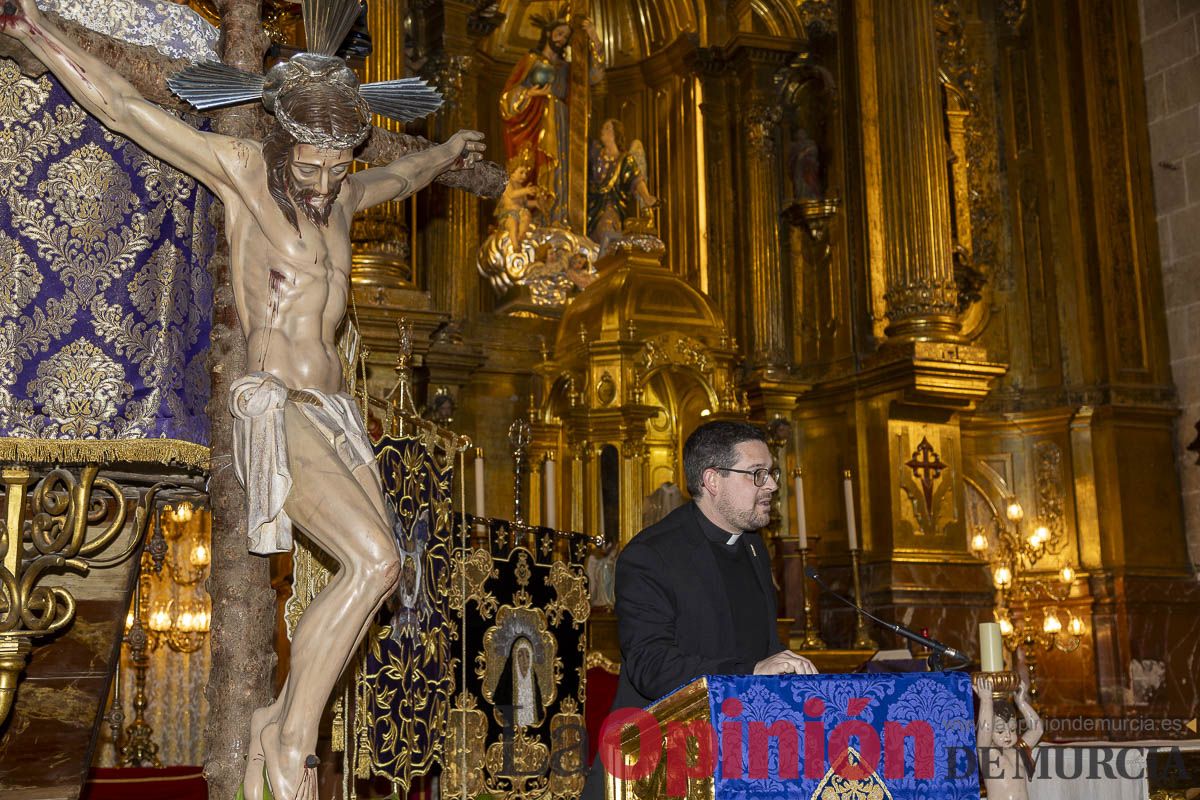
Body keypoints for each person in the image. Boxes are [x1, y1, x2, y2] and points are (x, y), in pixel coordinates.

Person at [0, 4, 485, 799]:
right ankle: (293, 743)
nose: (325, 183)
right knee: (376, 560)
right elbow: (124, 109)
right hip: (276, 402)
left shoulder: (346, 194)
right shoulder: (244, 174)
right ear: (281, 139)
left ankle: (274, 724)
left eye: (337, 165)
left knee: (382, 577)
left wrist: (447, 153)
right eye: (312, 167)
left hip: (333, 413)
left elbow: (403, 176)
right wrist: (35, 36)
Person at [583, 420, 817, 798]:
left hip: (739, 756)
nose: (771, 484)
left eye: (770, 473)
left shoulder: (754, 547)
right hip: (659, 763)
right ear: (712, 480)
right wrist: (752, 671)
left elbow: (760, 644)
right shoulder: (650, 555)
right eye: (756, 474)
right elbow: (651, 665)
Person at [499, 8, 603, 225]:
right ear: (548, 34)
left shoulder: (568, 69)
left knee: (560, 171)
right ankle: (536, 217)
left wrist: (593, 37)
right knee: (534, 169)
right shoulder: (530, 60)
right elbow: (507, 100)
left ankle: (558, 217)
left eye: (566, 36)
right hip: (535, 125)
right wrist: (532, 93)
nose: (562, 39)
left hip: (562, 125)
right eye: (559, 34)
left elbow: (594, 77)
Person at [586, 118, 657, 248]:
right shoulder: (595, 152)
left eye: (607, 128)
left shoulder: (625, 159)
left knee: (607, 228)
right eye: (602, 127)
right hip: (591, 206)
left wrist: (647, 197)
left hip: (612, 205)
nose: (602, 130)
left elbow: (636, 180)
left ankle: (608, 259)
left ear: (615, 134)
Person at [973, 674, 1043, 800]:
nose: (1008, 735)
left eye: (1012, 729)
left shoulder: (1018, 750)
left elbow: (1037, 729)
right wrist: (986, 701)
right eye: (1000, 731)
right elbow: (985, 729)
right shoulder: (988, 753)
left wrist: (1021, 702)